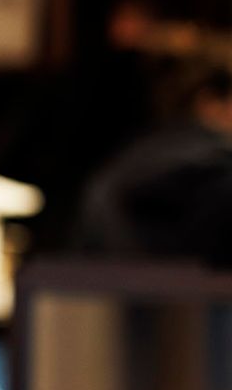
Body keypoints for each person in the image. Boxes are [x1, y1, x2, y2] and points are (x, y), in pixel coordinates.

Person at [75, 64, 232, 267]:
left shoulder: (146, 149)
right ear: (209, 103)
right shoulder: (203, 156)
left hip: (109, 278)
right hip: (153, 284)